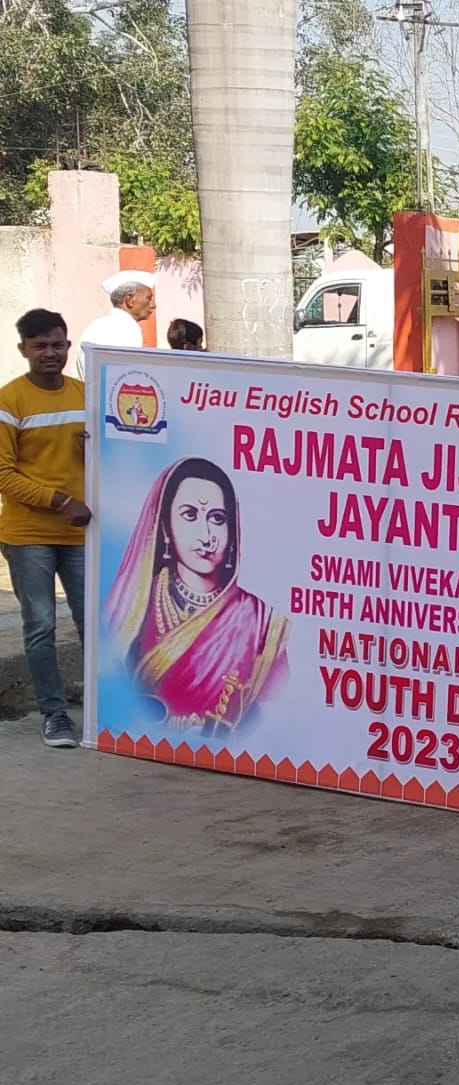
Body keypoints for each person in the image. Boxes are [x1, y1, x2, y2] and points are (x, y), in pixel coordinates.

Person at [102, 457, 289, 735]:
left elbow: (275, 711)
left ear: (232, 530)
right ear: (165, 527)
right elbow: (112, 684)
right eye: (189, 515)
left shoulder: (261, 622)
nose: (206, 536)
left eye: (217, 519)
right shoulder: (133, 605)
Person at [0, 309, 91, 748]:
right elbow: (3, 474)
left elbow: (110, 457)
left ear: (68, 346)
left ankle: (104, 709)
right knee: (41, 628)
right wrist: (60, 500)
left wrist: (94, 451)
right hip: (28, 535)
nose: (49, 353)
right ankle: (54, 715)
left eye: (57, 345)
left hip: (81, 534)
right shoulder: (10, 400)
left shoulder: (86, 395)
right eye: (40, 346)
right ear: (24, 350)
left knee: (94, 624)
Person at [76, 270, 155, 377]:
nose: (153, 305)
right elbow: (125, 376)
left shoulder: (96, 326)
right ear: (130, 300)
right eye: (148, 298)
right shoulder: (125, 329)